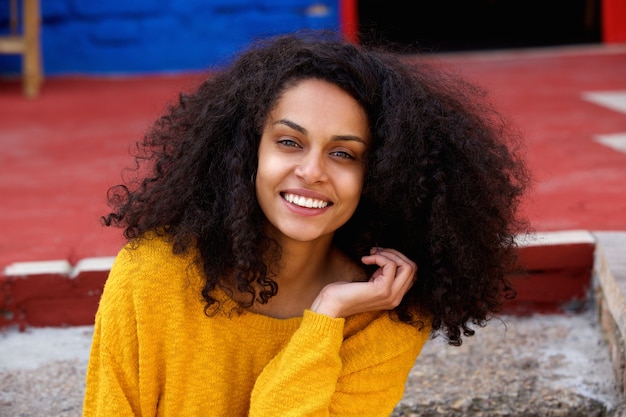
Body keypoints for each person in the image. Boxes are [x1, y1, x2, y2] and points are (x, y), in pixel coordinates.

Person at [82, 30, 530, 416]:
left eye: (343, 153)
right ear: (246, 154)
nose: (312, 171)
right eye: (290, 142)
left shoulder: (384, 316)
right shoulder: (152, 275)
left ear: (380, 177)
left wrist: (326, 317)